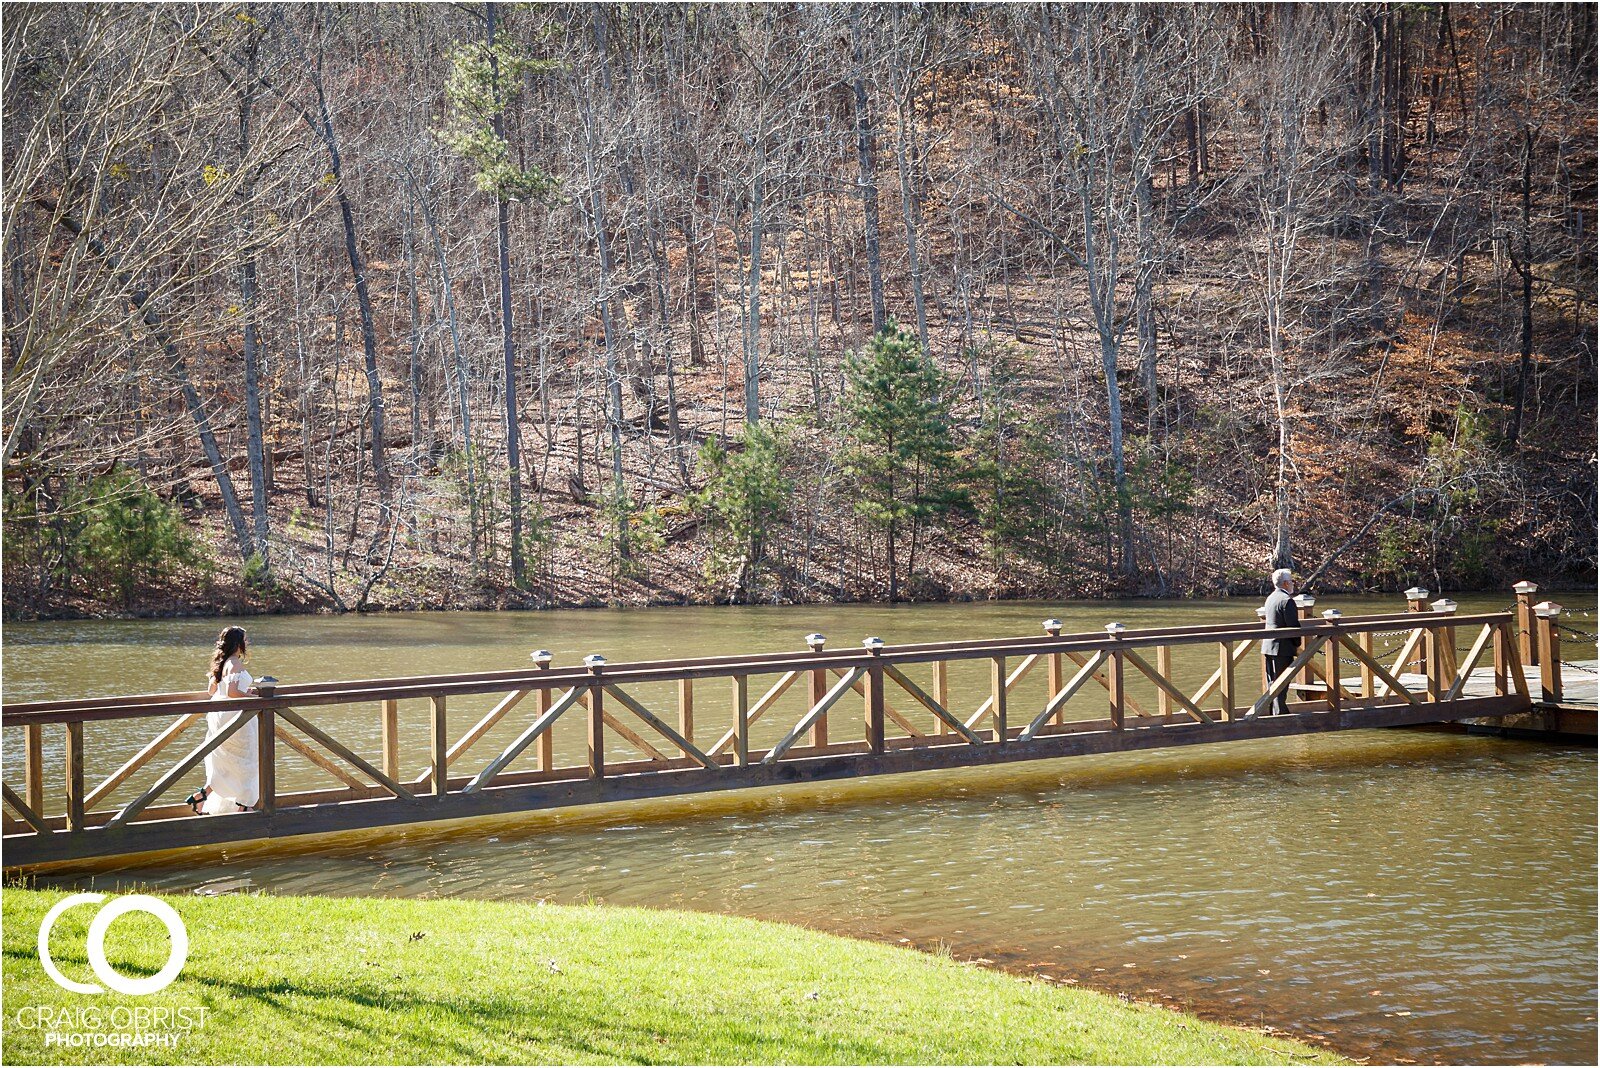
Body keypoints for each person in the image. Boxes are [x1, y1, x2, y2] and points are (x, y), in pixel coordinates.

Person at [187, 626, 260, 815]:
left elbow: (213, 692)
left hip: (219, 716)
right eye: (245, 639)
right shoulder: (234, 663)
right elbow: (232, 692)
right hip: (235, 718)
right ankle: (243, 805)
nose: (247, 642)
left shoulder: (221, 664)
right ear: (238, 643)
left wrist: (246, 691)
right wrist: (254, 698)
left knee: (227, 763)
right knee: (247, 762)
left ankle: (201, 797)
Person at [1259, 568, 1301, 716]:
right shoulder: (1287, 601)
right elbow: (1293, 627)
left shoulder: (1270, 598)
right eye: (1291, 581)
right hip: (1282, 648)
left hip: (1268, 647)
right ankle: (1280, 715)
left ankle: (1275, 712)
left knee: (1273, 683)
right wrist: (1298, 644)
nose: (1292, 584)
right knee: (1282, 684)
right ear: (1285, 583)